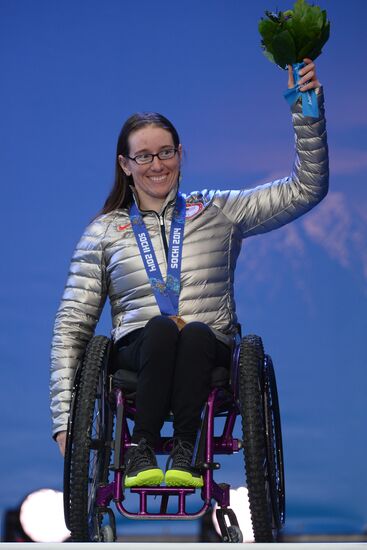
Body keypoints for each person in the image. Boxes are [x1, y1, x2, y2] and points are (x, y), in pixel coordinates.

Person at [50, 58, 328, 488]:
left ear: (181, 155)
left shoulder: (218, 211)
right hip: (138, 357)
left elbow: (306, 187)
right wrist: (66, 420)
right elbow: (71, 328)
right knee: (162, 329)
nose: (156, 164)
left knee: (195, 332)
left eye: (165, 152)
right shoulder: (104, 232)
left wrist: (306, 107)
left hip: (208, 350)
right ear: (125, 164)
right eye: (143, 156)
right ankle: (141, 451)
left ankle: (187, 448)